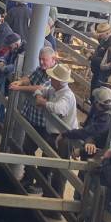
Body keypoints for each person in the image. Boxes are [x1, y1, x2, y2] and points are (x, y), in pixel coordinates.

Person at [26, 63, 77, 196]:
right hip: (54, 134)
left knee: (59, 171)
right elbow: (40, 90)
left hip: (64, 138)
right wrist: (38, 96)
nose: (51, 79)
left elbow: (60, 109)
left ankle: (54, 200)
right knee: (49, 163)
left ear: (59, 81)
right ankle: (45, 191)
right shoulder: (55, 90)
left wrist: (43, 102)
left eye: (53, 78)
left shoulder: (67, 95)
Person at [8, 46, 55, 181]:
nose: (41, 63)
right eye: (40, 59)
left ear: (53, 60)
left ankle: (40, 182)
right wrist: (21, 81)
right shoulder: (41, 70)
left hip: (47, 123)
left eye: (44, 60)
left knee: (46, 154)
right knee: (28, 148)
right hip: (35, 118)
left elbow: (42, 88)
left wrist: (19, 87)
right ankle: (28, 177)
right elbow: (31, 77)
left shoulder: (56, 73)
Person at [58, 86, 111, 159]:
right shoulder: (102, 112)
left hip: (95, 153)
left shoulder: (105, 120)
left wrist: (65, 133)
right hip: (91, 145)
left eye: (95, 101)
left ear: (97, 103)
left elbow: (86, 132)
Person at [88, 22, 111, 92]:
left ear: (107, 33)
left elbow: (106, 60)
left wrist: (92, 57)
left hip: (103, 74)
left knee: (98, 91)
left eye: (101, 34)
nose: (99, 36)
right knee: (94, 90)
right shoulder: (105, 39)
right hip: (98, 71)